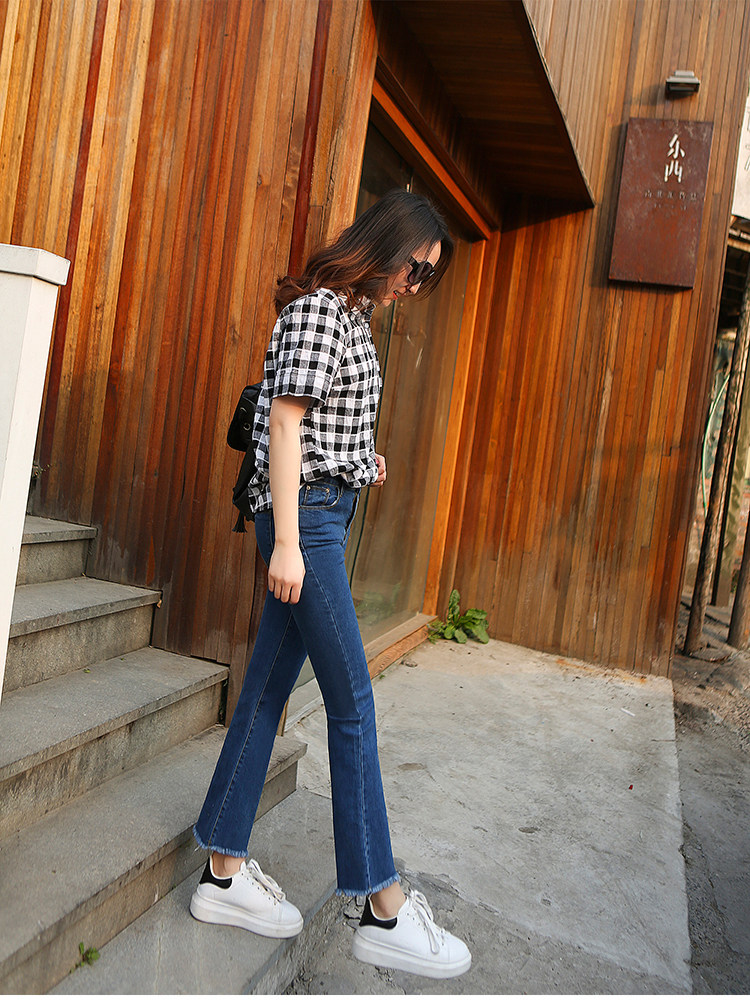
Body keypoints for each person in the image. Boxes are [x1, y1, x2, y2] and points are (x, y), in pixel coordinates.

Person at [190, 189, 471, 980]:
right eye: (415, 267)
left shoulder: (354, 315)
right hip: (305, 524)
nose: (415, 284)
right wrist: (286, 544)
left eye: (428, 277)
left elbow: (317, 427)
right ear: (386, 244)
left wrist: (359, 459)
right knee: (352, 705)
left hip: (320, 512)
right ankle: (382, 905)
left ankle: (222, 872)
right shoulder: (321, 310)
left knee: (265, 694)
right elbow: (284, 422)